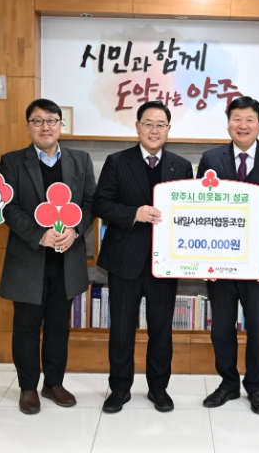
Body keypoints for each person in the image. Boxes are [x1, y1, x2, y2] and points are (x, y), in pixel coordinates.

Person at [197, 96, 259, 415]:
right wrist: (204, 256)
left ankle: (255, 387)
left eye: (249, 119)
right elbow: (200, 209)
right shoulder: (211, 158)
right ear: (228, 124)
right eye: (236, 119)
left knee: (257, 328)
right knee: (221, 328)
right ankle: (228, 384)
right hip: (221, 262)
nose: (242, 125)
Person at [93, 100, 194, 413]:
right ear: (137, 126)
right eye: (148, 123)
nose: (154, 130)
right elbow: (101, 204)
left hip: (165, 261)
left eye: (160, 124)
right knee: (122, 329)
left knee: (161, 330)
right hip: (125, 258)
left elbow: (188, 212)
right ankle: (119, 389)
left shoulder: (181, 165)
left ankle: (158, 388)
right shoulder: (117, 161)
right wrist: (133, 213)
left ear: (168, 129)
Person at [0, 99, 96, 415]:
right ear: (28, 125)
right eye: (38, 121)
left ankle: (53, 383)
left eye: (52, 120)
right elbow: (8, 206)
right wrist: (38, 234)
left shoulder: (80, 160)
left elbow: (90, 202)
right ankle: (28, 387)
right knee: (26, 326)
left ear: (60, 125)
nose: (45, 127)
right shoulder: (12, 161)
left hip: (66, 258)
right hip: (29, 257)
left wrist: (76, 230)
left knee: (58, 326)